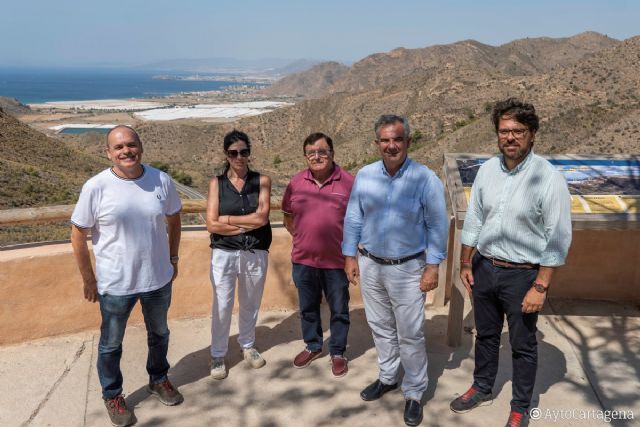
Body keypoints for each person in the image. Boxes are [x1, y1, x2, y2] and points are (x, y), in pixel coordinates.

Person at [449, 98, 572, 427]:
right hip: (484, 268)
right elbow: (474, 218)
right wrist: (465, 262)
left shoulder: (548, 178)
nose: (510, 137)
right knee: (486, 335)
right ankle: (482, 386)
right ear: (497, 134)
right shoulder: (488, 170)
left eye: (519, 131)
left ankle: (520, 406)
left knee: (522, 344)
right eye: (504, 131)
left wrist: (540, 286)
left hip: (523, 276)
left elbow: (557, 237)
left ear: (532, 134)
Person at [70, 125, 183, 427]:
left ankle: (158, 379)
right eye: (118, 147)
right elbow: (78, 234)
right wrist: (89, 279)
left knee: (160, 334)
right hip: (116, 284)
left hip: (158, 279)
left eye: (131, 145)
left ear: (141, 147)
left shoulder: (161, 180)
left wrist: (173, 257)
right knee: (111, 343)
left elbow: (174, 218)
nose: (126, 151)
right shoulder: (96, 187)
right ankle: (112, 394)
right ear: (109, 153)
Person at [342, 115, 449, 426]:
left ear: (408, 142)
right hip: (371, 264)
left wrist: (433, 267)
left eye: (397, 139)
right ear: (377, 144)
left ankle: (414, 391)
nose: (391, 145)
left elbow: (437, 226)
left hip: (408, 268)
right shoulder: (364, 175)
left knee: (411, 333)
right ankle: (388, 376)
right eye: (385, 140)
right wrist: (350, 257)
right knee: (380, 326)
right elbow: (354, 218)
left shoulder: (425, 179)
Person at [282, 132, 355, 377]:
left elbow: (358, 221)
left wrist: (351, 255)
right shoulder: (296, 182)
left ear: (332, 153)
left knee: (339, 309)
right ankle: (313, 345)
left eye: (322, 151)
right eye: (311, 153)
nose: (317, 156)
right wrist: (304, 239)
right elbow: (288, 217)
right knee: (308, 307)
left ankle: (337, 352)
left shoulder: (348, 182)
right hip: (303, 260)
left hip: (337, 261)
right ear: (305, 157)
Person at [206, 129, 272, 380]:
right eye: (233, 153)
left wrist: (230, 220)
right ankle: (217, 353)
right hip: (224, 254)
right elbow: (212, 224)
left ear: (249, 152)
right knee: (222, 305)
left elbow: (262, 218)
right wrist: (247, 223)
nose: (239, 157)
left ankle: (248, 345)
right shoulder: (217, 184)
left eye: (244, 152)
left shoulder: (262, 181)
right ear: (226, 155)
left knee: (250, 303)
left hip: (254, 251)